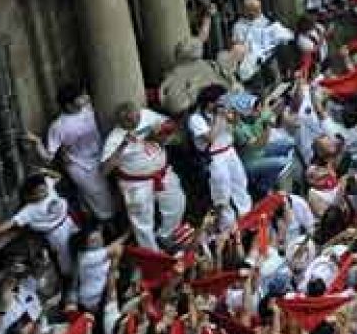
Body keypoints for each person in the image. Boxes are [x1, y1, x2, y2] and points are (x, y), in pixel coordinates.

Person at [99, 100, 186, 250]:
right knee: (142, 221)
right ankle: (152, 252)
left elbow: (169, 124)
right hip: (136, 183)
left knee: (177, 202)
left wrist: (161, 131)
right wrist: (123, 145)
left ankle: (166, 235)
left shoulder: (146, 115)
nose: (136, 121)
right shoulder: (114, 138)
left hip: (162, 172)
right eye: (130, 121)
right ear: (121, 122)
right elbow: (104, 170)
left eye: (137, 117)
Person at [29, 85, 119, 223]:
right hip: (81, 167)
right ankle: (110, 228)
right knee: (101, 199)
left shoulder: (88, 108)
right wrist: (37, 142)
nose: (84, 99)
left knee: (114, 191)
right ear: (69, 105)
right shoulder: (58, 126)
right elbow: (48, 157)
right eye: (79, 98)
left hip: (101, 157)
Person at [0, 172, 76, 277]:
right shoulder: (29, 210)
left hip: (68, 221)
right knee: (65, 254)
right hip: (56, 233)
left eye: (44, 189)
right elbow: (9, 224)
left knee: (79, 242)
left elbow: (57, 177)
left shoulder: (47, 184)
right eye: (40, 192)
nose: (45, 192)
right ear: (31, 195)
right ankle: (69, 275)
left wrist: (43, 172)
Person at [187, 85, 252, 229]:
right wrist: (220, 116)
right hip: (215, 157)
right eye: (220, 101)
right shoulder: (196, 119)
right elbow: (210, 137)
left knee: (240, 183)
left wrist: (234, 113)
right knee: (222, 194)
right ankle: (227, 227)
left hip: (230, 152)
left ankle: (247, 215)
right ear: (210, 103)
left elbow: (237, 122)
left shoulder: (222, 112)